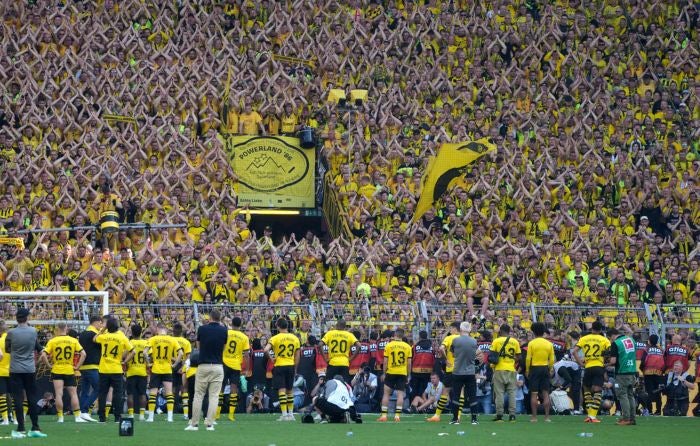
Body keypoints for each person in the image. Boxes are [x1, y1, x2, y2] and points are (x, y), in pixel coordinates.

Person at [5, 308, 46, 438]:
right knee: (32, 398)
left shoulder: (11, 332)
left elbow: (7, 349)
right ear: (27, 317)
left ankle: (21, 427)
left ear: (16, 318)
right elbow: (37, 347)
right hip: (29, 369)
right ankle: (35, 427)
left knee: (17, 398)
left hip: (15, 369)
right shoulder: (33, 331)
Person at [186, 310, 227, 431]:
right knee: (214, 396)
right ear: (219, 318)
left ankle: (194, 424)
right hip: (218, 366)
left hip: (203, 365)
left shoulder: (202, 329)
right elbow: (223, 348)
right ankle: (210, 424)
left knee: (198, 395)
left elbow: (198, 347)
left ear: (210, 317)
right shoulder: (224, 330)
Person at [40, 322, 86, 423]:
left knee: (58, 394)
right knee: (73, 394)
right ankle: (77, 417)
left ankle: (60, 418)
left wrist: (48, 365)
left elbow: (43, 355)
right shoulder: (73, 340)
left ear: (57, 329)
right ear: (66, 328)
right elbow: (83, 354)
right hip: (69, 369)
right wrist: (77, 366)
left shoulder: (53, 341)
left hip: (57, 370)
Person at [95, 317, 134, 423]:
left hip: (104, 369)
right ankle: (117, 417)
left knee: (102, 393)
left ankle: (102, 418)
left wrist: (102, 330)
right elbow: (132, 351)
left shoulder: (104, 337)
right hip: (116, 369)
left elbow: (94, 339)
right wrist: (125, 361)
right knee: (118, 394)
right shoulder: (122, 337)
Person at [572, 321, 611, 423]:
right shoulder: (604, 340)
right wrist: (606, 362)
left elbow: (574, 351)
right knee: (597, 391)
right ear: (601, 330)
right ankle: (592, 416)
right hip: (598, 366)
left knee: (587, 390)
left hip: (588, 367)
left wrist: (580, 363)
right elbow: (609, 353)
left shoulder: (584, 338)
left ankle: (590, 415)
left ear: (591, 328)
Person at [144, 324, 183, 422]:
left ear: (158, 329)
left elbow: (145, 353)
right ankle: (170, 417)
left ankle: (151, 417)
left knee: (153, 393)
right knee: (169, 393)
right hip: (167, 368)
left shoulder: (153, 339)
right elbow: (181, 353)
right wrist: (175, 365)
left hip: (156, 368)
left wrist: (149, 363)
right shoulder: (172, 339)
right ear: (165, 329)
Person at [264, 318, 301, 421]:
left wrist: (271, 359)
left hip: (280, 365)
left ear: (278, 326)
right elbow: (298, 355)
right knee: (290, 390)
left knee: (282, 390)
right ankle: (291, 414)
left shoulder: (275, 338)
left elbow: (266, 349)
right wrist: (295, 367)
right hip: (290, 365)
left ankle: (284, 415)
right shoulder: (295, 338)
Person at [427, 321, 460, 422]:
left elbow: (441, 348)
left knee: (445, 391)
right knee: (460, 393)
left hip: (450, 369)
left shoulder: (449, 338)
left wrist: (446, 360)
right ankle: (458, 416)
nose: (450, 330)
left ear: (454, 329)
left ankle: (437, 416)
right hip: (462, 369)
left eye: (451, 328)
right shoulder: (465, 339)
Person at [377, 328, 411, 422]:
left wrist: (384, 373)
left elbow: (385, 361)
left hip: (391, 372)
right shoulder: (407, 346)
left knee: (386, 394)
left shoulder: (389, 345)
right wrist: (408, 375)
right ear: (403, 336)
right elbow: (409, 363)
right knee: (400, 394)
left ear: (395, 335)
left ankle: (384, 416)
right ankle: (397, 416)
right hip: (402, 372)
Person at [449, 322, 480, 425]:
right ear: (469, 329)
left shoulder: (455, 340)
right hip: (470, 372)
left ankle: (455, 419)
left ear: (461, 329)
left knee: (456, 396)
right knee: (472, 396)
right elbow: (479, 354)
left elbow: (453, 354)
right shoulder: (474, 341)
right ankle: (474, 419)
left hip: (457, 371)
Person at [221, 316, 250, 421]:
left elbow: (221, 347)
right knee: (234, 390)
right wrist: (246, 369)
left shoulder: (226, 333)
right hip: (236, 365)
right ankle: (231, 415)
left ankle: (217, 414)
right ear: (240, 324)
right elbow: (246, 355)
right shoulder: (244, 337)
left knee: (221, 388)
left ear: (232, 324)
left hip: (224, 363)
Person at [606, 328, 637, 425]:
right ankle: (632, 418)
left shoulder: (616, 343)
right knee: (630, 395)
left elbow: (613, 361)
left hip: (622, 372)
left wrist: (605, 364)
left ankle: (626, 418)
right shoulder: (631, 340)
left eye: (609, 338)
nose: (611, 341)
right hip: (632, 371)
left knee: (623, 396)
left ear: (611, 336)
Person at [490, 324, 521, 422]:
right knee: (512, 393)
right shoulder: (515, 341)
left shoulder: (496, 341)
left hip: (499, 369)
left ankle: (499, 415)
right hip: (511, 369)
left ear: (500, 330)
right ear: (509, 331)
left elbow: (491, 356)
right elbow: (519, 357)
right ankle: (512, 415)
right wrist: (511, 360)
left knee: (499, 393)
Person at [525, 322, 555, 423]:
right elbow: (551, 359)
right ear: (543, 332)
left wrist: (528, 370)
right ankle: (547, 417)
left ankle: (534, 417)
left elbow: (528, 359)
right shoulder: (549, 343)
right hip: (545, 368)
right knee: (546, 393)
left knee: (534, 394)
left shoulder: (531, 343)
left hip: (535, 368)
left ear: (534, 332)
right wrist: (550, 369)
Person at [78, 315, 103, 422]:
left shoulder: (82, 334)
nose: (101, 326)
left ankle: (82, 413)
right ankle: (84, 410)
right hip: (92, 366)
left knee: (85, 390)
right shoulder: (95, 335)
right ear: (96, 322)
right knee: (99, 388)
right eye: (101, 323)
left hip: (83, 366)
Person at [126, 324, 148, 421]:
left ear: (132, 332)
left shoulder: (129, 342)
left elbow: (124, 356)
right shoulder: (145, 343)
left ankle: (131, 414)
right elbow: (148, 357)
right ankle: (142, 415)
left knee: (130, 394)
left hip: (131, 371)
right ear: (141, 332)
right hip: (142, 371)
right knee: (142, 394)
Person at [639, 334, 665, 416]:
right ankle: (658, 411)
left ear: (649, 341)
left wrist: (643, 370)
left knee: (649, 393)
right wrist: (662, 372)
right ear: (657, 341)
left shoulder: (647, 349)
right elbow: (665, 362)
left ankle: (649, 411)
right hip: (659, 374)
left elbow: (643, 362)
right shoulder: (661, 350)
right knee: (658, 393)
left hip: (648, 374)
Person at [410, 330, 435, 404]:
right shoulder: (431, 347)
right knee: (424, 391)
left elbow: (411, 359)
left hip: (416, 372)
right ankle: (423, 406)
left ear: (419, 337)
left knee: (414, 390)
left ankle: (413, 405)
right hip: (428, 372)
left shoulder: (415, 347)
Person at [0, 320, 10, 425]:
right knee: (13, 395)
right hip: (13, 370)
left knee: (1, 395)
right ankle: (16, 419)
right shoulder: (14, 340)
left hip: (1, 370)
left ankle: (5, 419)